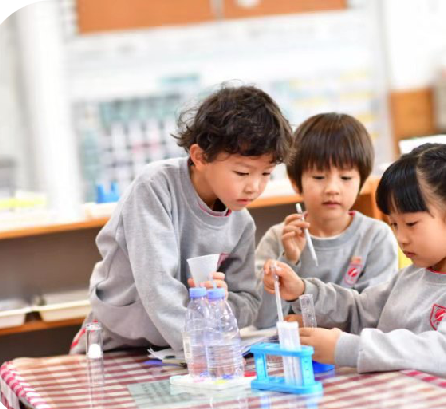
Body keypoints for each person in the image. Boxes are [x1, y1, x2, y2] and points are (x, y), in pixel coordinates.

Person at [263, 143, 446, 391]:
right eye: (394, 225)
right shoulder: (411, 275)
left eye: (411, 224)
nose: (401, 238)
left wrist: (347, 348)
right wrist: (303, 291)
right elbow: (359, 310)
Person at [70, 84, 293, 354]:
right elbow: (157, 286)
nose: (254, 187)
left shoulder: (241, 222)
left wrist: (221, 302)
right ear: (200, 157)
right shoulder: (155, 188)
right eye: (242, 173)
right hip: (116, 343)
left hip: (178, 353)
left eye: (266, 174)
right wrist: (202, 350)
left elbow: (248, 302)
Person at [254, 113, 398, 329]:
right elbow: (262, 321)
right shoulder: (277, 239)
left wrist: (311, 321)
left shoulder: (376, 237)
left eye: (346, 177)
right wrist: (288, 259)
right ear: (295, 182)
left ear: (361, 182)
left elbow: (374, 317)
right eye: (319, 177)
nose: (332, 188)